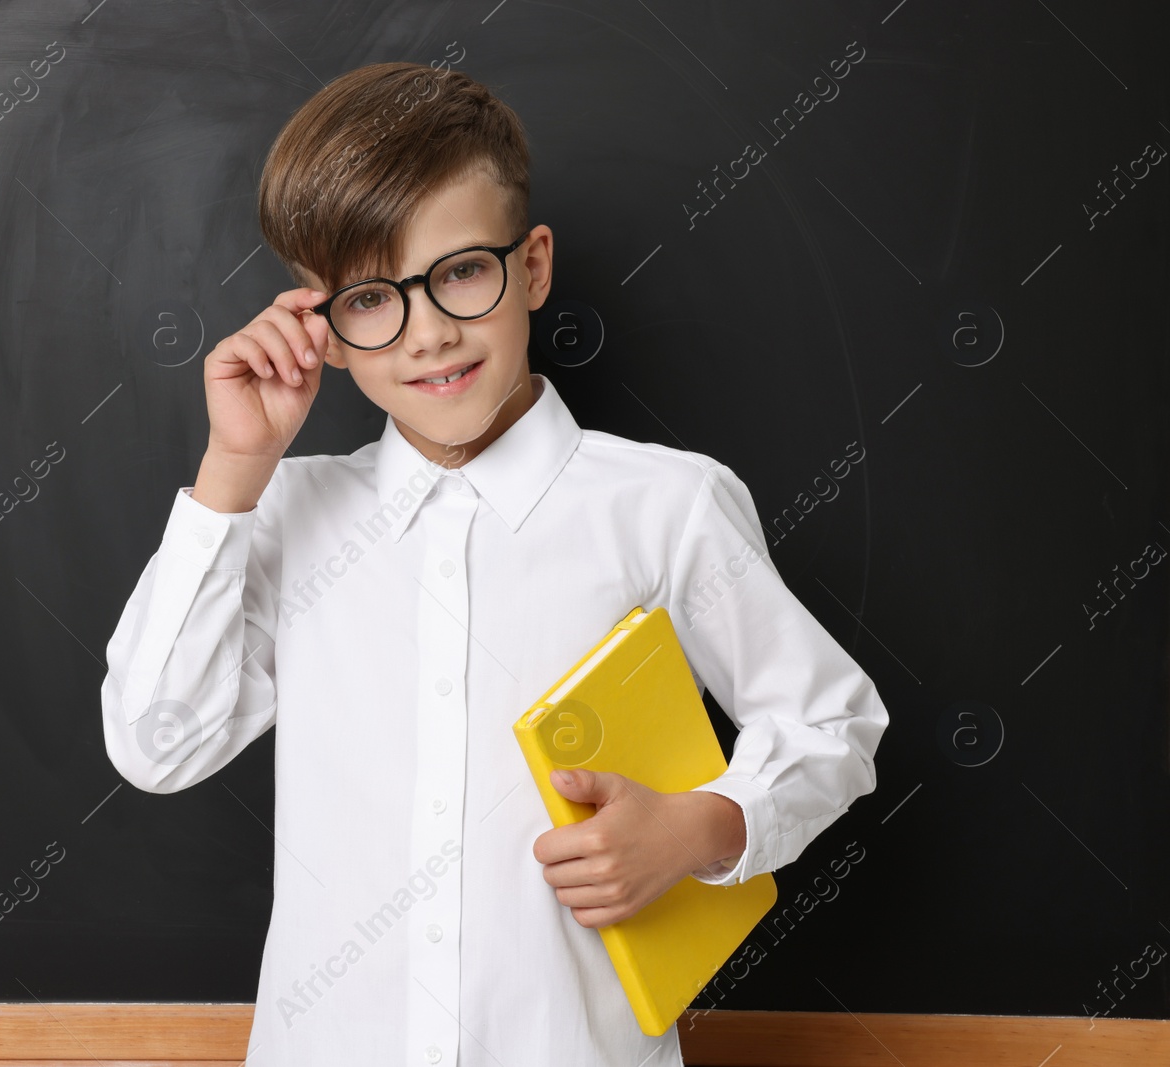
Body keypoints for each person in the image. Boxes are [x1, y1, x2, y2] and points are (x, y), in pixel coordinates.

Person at [100, 60, 888, 1067]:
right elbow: (153, 742)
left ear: (532, 265)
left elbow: (833, 722)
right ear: (323, 327)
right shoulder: (285, 510)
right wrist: (234, 468)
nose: (427, 332)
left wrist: (703, 825)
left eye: (461, 271)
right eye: (373, 298)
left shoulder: (663, 505)